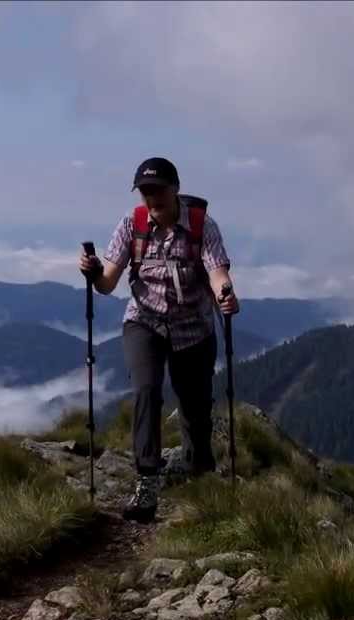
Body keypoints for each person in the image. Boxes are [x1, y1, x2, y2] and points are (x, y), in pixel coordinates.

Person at [78, 157, 240, 523]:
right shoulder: (130, 225)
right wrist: (91, 272)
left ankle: (201, 471)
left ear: (175, 188)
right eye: (145, 191)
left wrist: (226, 293)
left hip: (193, 328)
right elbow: (107, 284)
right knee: (147, 391)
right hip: (144, 322)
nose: (152, 197)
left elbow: (217, 272)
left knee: (195, 408)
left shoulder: (201, 226)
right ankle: (148, 480)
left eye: (159, 190)